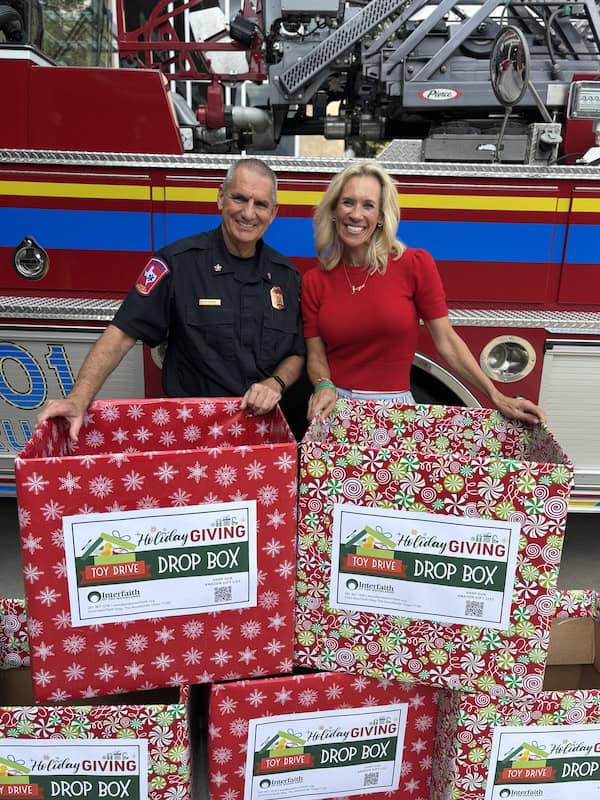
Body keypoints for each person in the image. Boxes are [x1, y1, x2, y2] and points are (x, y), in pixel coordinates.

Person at [38, 158, 305, 442]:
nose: (248, 213)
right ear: (221, 198)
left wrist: (275, 383)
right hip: (193, 434)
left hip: (262, 438)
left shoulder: (286, 277)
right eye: (240, 198)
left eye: (260, 204)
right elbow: (122, 334)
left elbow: (296, 352)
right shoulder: (177, 264)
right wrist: (78, 399)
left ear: (273, 213)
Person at [301, 160, 546, 425]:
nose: (356, 214)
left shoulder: (413, 264)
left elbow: (447, 342)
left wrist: (495, 395)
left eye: (368, 205)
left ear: (382, 216)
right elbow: (316, 357)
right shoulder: (315, 281)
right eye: (348, 202)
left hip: (396, 413)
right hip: (336, 411)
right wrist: (323, 385)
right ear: (335, 210)